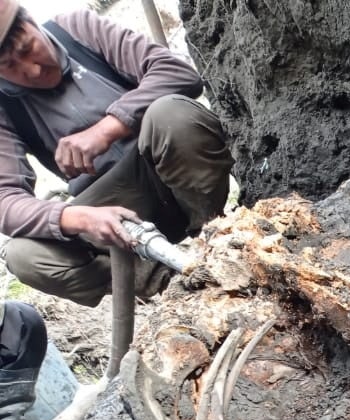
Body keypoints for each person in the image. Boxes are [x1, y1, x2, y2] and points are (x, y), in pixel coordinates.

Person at [0, 1, 232, 306]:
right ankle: (179, 285)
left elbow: (177, 73)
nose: (32, 69)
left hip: (170, 165)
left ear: (31, 20)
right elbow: (5, 201)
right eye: (9, 66)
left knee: (172, 114)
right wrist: (75, 217)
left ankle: (221, 240)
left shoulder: (78, 28)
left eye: (29, 48)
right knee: (25, 256)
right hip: (114, 210)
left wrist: (108, 128)